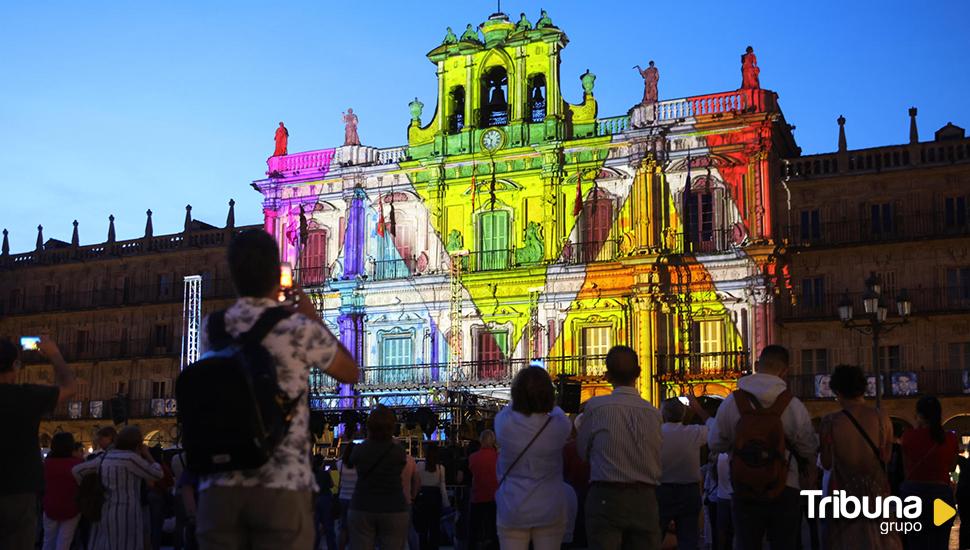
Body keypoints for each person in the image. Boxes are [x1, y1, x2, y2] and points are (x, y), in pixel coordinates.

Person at [193, 229, 359, 550]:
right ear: (276, 274)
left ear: (233, 274)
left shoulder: (211, 327)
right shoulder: (296, 327)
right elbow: (349, 372)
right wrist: (313, 317)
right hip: (281, 484)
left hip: (220, 485)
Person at [708, 345, 818, 550]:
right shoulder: (793, 405)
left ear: (757, 365)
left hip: (744, 485)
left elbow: (715, 442)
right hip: (785, 484)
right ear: (785, 371)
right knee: (785, 543)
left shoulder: (733, 402)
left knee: (746, 543)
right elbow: (808, 448)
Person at [577, 345, 663, 549]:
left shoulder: (596, 408)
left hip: (606, 494)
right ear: (639, 374)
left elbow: (582, 453)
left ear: (607, 375)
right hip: (645, 497)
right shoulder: (654, 413)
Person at [0, 336, 77, 550]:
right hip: (19, 490)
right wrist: (54, 354)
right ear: (15, 365)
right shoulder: (27, 396)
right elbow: (69, 387)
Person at [818, 365, 900, 550]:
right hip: (876, 495)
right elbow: (885, 457)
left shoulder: (829, 422)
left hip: (843, 495)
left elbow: (826, 463)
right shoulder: (882, 418)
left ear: (837, 391)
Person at [495, 367, 572, 550]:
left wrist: (521, 396)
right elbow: (559, 411)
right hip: (550, 506)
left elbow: (509, 409)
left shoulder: (503, 424)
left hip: (513, 506)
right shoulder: (559, 426)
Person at [72, 426, 163, 549]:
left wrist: (87, 486)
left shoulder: (105, 457)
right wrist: (147, 454)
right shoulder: (131, 459)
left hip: (106, 509)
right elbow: (157, 474)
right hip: (127, 513)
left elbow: (77, 471)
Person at [900, 395, 958, 549]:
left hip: (913, 495)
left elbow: (906, 470)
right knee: (940, 542)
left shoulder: (908, 436)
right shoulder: (950, 438)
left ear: (919, 415)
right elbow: (952, 467)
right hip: (941, 494)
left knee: (915, 542)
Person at [348, 406, 409, 550]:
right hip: (393, 506)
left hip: (362, 505)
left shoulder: (360, 449)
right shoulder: (398, 451)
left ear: (369, 426)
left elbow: (353, 463)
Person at [658, 393, 713, 550]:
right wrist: (696, 410)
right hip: (689, 490)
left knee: (655, 537)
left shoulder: (656, 433)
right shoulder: (694, 432)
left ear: (663, 414)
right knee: (688, 539)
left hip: (662, 489)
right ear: (683, 414)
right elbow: (714, 428)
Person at [41, 432, 83, 550]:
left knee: (48, 540)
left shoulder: (46, 464)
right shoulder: (78, 464)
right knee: (64, 542)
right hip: (71, 507)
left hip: (50, 506)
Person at [468, 429, 499, 550]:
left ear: (481, 441)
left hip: (478, 496)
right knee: (494, 528)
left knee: (474, 529)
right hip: (494, 497)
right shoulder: (498, 457)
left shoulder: (473, 457)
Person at [414, 444, 449, 550]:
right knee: (435, 528)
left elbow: (416, 483)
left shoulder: (419, 465)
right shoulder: (440, 468)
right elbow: (442, 487)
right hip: (435, 499)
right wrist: (446, 503)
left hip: (423, 498)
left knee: (422, 529)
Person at [336, 442, 358, 550]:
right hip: (356, 500)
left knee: (343, 528)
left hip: (343, 497)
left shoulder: (340, 464)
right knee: (356, 529)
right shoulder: (360, 465)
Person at [314, 455, 338, 550]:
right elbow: (332, 485)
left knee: (315, 526)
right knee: (329, 527)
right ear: (322, 462)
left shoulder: (312, 473)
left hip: (315, 499)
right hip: (326, 499)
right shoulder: (325, 473)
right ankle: (331, 547)